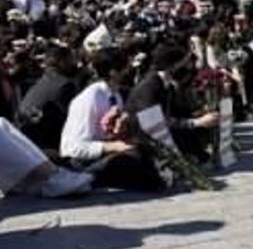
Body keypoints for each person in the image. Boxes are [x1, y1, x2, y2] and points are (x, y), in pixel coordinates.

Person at [60, 47, 162, 191]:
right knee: (128, 162)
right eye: (126, 68)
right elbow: (72, 148)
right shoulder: (90, 98)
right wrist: (111, 146)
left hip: (106, 154)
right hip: (83, 162)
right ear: (113, 72)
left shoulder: (115, 95)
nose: (129, 72)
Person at [126, 44, 220, 162]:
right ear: (172, 66)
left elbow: (178, 112)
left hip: (161, 131)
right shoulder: (149, 86)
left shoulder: (166, 84)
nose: (189, 66)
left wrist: (200, 112)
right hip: (145, 138)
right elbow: (154, 122)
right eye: (184, 63)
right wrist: (197, 122)